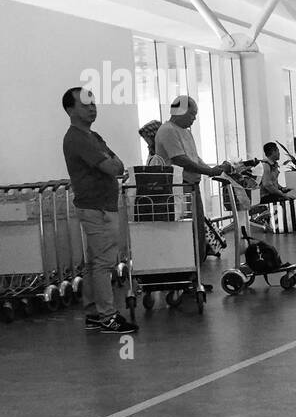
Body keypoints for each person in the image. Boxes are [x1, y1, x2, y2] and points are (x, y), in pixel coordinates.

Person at [61, 88, 137, 334]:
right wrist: (113, 165)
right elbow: (112, 167)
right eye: (85, 105)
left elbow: (117, 162)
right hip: (96, 207)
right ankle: (107, 315)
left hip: (101, 205)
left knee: (95, 262)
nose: (92, 108)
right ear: (70, 110)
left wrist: (113, 164)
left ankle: (94, 311)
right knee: (104, 262)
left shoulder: (93, 136)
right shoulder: (77, 138)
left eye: (93, 103)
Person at [153, 95, 230, 257]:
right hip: (179, 188)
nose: (194, 118)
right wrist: (208, 171)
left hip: (192, 185)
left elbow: (193, 158)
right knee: (186, 229)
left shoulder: (186, 132)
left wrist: (212, 169)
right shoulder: (168, 130)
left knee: (198, 227)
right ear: (180, 112)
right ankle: (190, 266)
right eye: (192, 114)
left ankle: (198, 265)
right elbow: (180, 159)